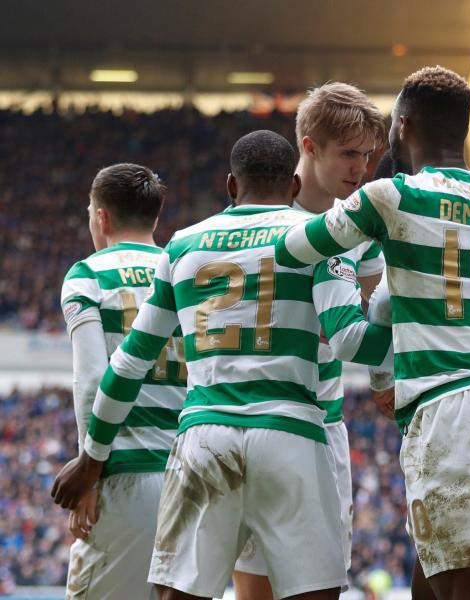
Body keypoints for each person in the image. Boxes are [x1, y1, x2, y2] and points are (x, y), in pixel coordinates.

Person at [273, 66, 470, 600]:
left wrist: (353, 268)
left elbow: (294, 249)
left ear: (402, 126)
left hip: (452, 418)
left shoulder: (389, 197)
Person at [53, 130, 391, 600]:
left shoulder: (184, 245)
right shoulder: (315, 240)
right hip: (290, 430)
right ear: (293, 188)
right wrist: (407, 322)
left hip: (205, 436)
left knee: (179, 593)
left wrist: (91, 460)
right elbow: (353, 342)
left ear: (231, 186)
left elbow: (127, 365)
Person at [232, 82, 388, 600]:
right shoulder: (258, 216)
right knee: (254, 587)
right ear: (308, 146)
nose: (361, 168)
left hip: (323, 421)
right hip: (251, 418)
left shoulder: (361, 226)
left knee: (321, 586)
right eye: (348, 154)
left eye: (367, 156)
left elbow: (365, 312)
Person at [59, 163, 186, 599]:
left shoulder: (88, 274)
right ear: (155, 218)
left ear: (101, 217)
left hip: (126, 473)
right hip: (193, 474)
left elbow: (93, 378)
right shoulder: (186, 269)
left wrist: (89, 475)